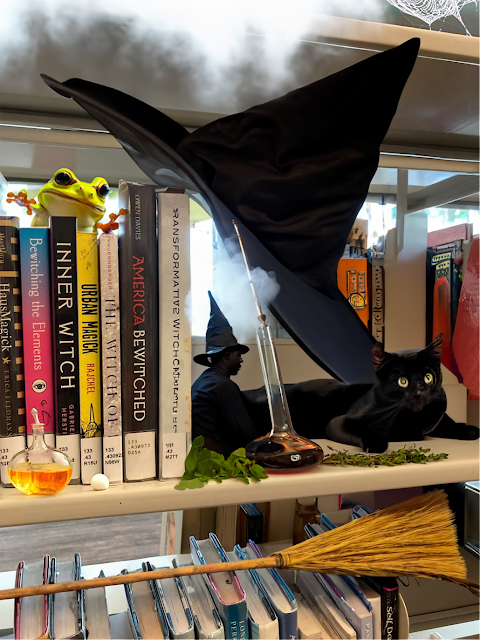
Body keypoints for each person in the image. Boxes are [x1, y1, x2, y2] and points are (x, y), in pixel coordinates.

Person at [191, 292, 260, 456]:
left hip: (201, 455)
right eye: (238, 354)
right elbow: (248, 437)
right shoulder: (223, 386)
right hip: (219, 458)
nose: (241, 359)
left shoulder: (203, 381)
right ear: (227, 354)